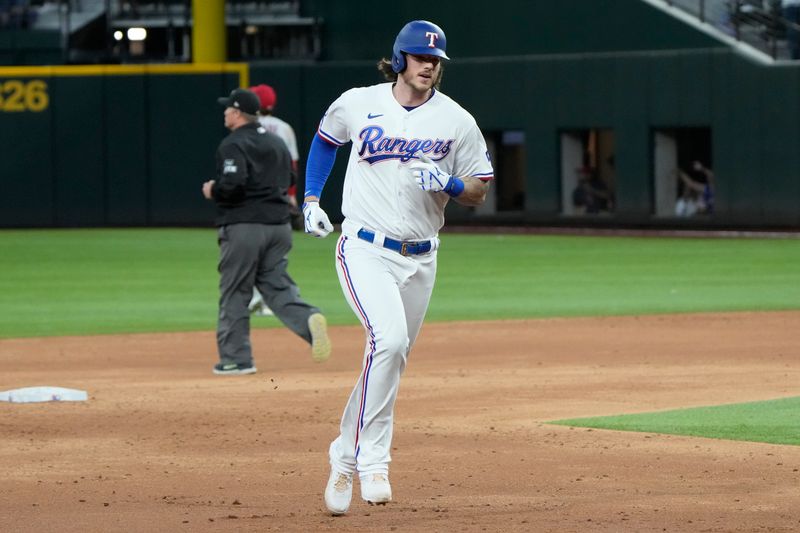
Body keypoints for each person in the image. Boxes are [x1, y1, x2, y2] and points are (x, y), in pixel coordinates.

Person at [301, 20, 493, 515]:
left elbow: (480, 187)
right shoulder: (358, 102)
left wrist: (450, 184)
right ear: (399, 58)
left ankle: (343, 455)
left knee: (391, 358)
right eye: (420, 57)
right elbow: (325, 141)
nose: (429, 65)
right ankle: (373, 461)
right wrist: (310, 198)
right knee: (387, 342)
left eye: (436, 60)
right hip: (363, 247)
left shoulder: (456, 121)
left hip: (422, 257)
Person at [201, 88, 331, 376]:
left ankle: (236, 359)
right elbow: (291, 178)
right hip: (279, 226)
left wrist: (214, 189)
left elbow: (233, 184)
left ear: (236, 113)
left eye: (227, 109)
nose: (224, 113)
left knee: (235, 291)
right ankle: (308, 318)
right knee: (276, 284)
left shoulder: (232, 144)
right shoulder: (276, 142)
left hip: (244, 227)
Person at [246, 83, 303, 317]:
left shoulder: (247, 127)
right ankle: (268, 299)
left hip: (250, 198)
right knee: (277, 252)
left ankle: (254, 297)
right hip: (278, 197)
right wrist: (291, 196)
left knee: (249, 248)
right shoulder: (285, 128)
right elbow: (292, 164)